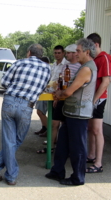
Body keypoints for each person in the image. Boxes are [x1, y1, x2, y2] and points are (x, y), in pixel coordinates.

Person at [0, 44, 51, 185]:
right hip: (27, 106)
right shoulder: (47, 68)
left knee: (10, 141)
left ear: (29, 53)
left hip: (9, 102)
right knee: (17, 140)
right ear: (40, 55)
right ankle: (10, 175)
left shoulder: (19, 63)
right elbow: (43, 87)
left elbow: (4, 82)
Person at [45, 38, 97, 186]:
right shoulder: (84, 67)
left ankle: (78, 178)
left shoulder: (86, 69)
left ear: (87, 52)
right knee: (62, 143)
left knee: (77, 147)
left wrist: (58, 94)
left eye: (78, 51)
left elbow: (69, 92)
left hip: (79, 113)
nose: (76, 53)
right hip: (72, 112)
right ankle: (57, 171)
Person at [37, 44, 81, 154]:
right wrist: (57, 95)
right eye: (56, 53)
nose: (66, 54)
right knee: (54, 123)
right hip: (58, 97)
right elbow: (60, 83)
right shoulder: (62, 66)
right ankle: (51, 147)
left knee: (67, 125)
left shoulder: (81, 67)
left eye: (68, 52)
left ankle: (68, 150)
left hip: (71, 101)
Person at [86, 33, 111, 173]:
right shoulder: (95, 59)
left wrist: (94, 100)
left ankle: (98, 163)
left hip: (98, 99)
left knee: (97, 130)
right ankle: (91, 155)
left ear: (96, 45)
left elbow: (106, 82)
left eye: (90, 47)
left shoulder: (104, 58)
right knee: (90, 129)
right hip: (92, 98)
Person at [34, 56, 50, 137]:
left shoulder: (49, 70)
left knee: (40, 112)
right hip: (42, 94)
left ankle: (49, 130)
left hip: (48, 94)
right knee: (40, 111)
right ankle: (44, 128)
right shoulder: (41, 70)